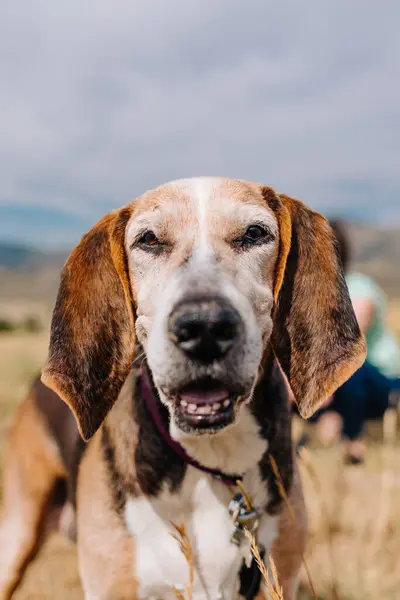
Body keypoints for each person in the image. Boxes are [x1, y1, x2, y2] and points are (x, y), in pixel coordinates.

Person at [296, 219, 400, 463]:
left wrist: (323, 385)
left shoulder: (359, 288)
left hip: (380, 383)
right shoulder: (308, 296)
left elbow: (349, 343)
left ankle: (354, 441)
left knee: (350, 366)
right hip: (338, 385)